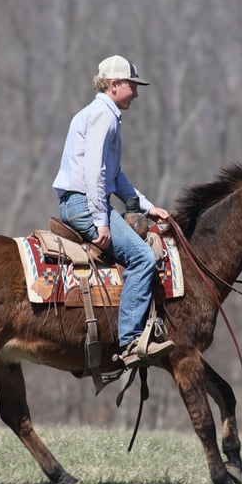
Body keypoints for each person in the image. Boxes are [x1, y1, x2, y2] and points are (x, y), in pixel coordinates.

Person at [52, 54, 174, 368]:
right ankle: (131, 339)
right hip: (85, 204)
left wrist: (148, 207)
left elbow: (115, 177)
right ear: (114, 84)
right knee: (143, 257)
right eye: (132, 85)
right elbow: (94, 173)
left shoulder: (102, 115)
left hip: (82, 201)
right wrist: (100, 220)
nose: (136, 93)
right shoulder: (103, 117)